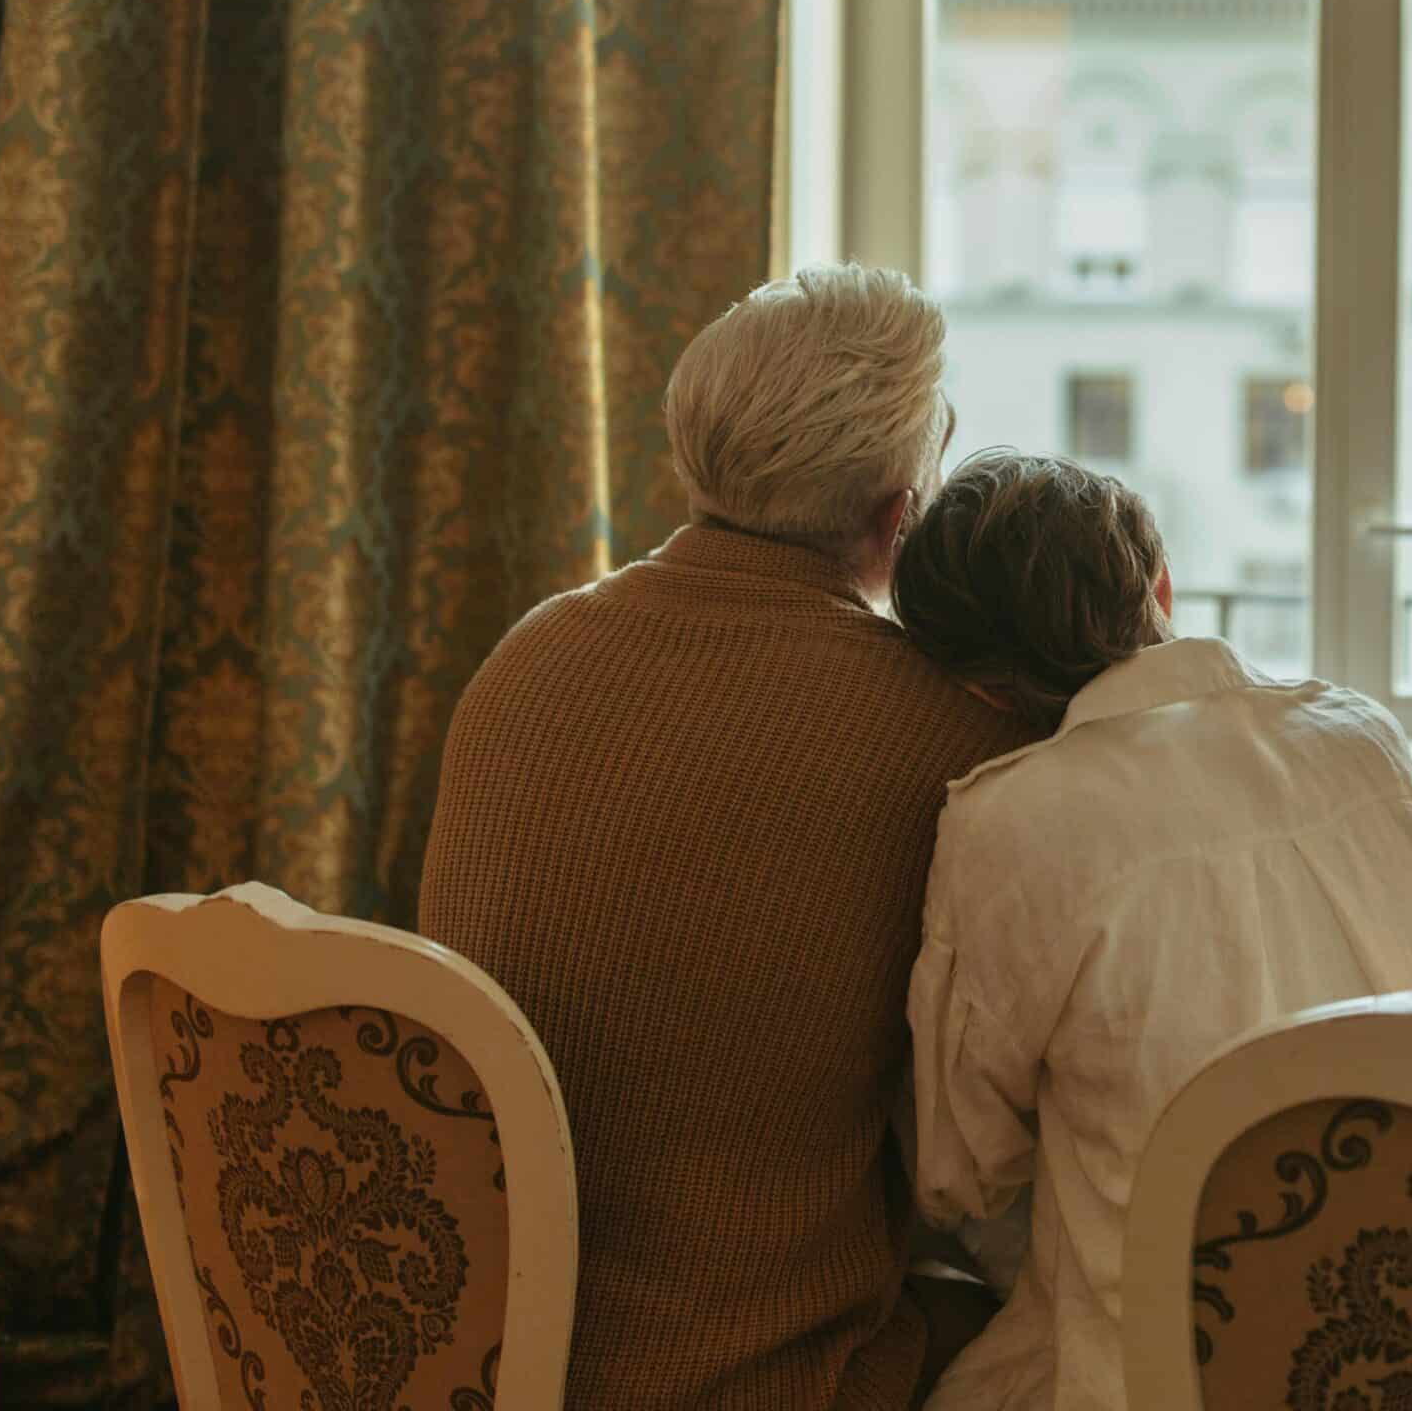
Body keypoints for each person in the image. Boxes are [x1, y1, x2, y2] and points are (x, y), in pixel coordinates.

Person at [421, 267, 1033, 1410]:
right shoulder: (943, 732)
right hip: (768, 1378)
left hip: (480, 1356)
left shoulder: (529, 658)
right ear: (901, 513)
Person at [892, 452, 1412, 1411]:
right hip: (1405, 1328)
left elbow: (961, 1177)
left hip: (1160, 1370)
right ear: (1160, 582)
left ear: (983, 691)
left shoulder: (1013, 819)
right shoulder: (1363, 736)